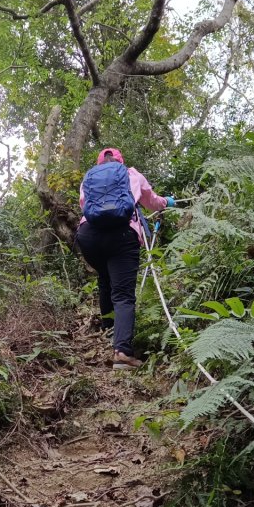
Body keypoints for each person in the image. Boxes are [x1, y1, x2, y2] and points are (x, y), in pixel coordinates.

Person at [76, 148, 175, 370]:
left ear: (99, 163)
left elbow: (85, 206)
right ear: (121, 161)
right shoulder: (131, 174)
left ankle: (108, 328)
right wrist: (168, 202)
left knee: (104, 276)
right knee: (122, 295)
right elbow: (153, 202)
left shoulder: (89, 178)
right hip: (122, 234)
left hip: (88, 235)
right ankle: (121, 351)